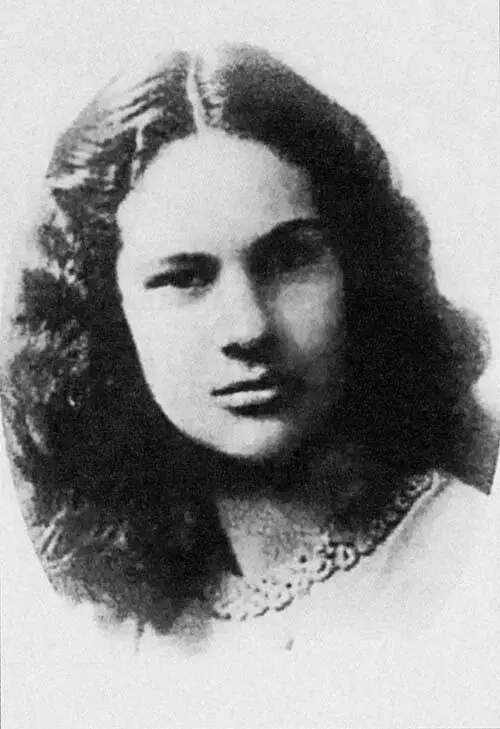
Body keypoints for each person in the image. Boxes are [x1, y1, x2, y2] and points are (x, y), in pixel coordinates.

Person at [1, 42, 498, 657]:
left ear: (359, 270)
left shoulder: (471, 561)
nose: (248, 327)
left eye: (290, 260)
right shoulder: (106, 630)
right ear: (109, 313)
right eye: (183, 278)